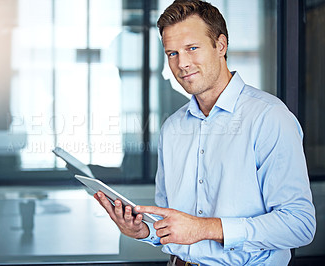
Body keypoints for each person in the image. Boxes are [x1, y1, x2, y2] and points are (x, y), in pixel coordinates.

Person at [94, 0, 316, 265]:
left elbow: (299, 225)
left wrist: (206, 228)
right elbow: (172, 224)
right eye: (172, 53)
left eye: (192, 48)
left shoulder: (269, 118)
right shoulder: (173, 128)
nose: (182, 63)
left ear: (220, 45)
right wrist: (143, 230)